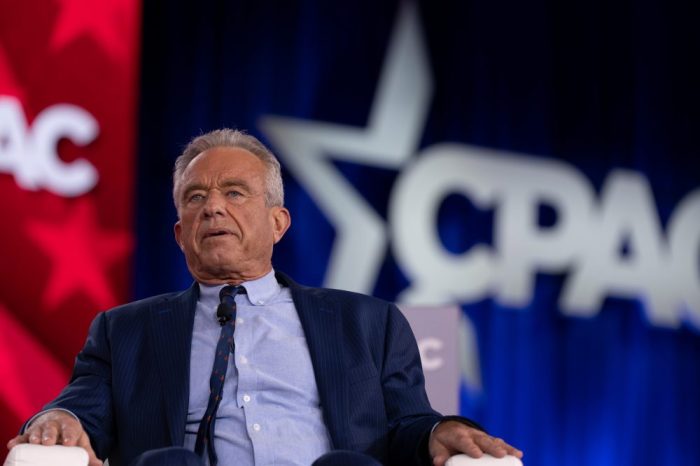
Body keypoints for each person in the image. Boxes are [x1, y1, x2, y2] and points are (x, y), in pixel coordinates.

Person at [7, 129, 522, 466]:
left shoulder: (370, 322)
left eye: (234, 192)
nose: (212, 208)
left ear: (278, 223)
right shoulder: (124, 330)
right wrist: (58, 421)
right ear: (180, 234)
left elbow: (409, 423)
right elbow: (80, 409)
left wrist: (440, 431)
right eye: (195, 197)